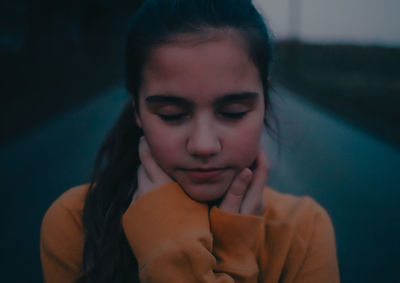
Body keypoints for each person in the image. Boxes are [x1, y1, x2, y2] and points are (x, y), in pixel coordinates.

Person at [40, 0, 340, 282]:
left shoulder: (303, 230)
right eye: (171, 114)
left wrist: (223, 252)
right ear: (138, 112)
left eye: (233, 112)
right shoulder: (77, 223)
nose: (204, 145)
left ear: (265, 103)